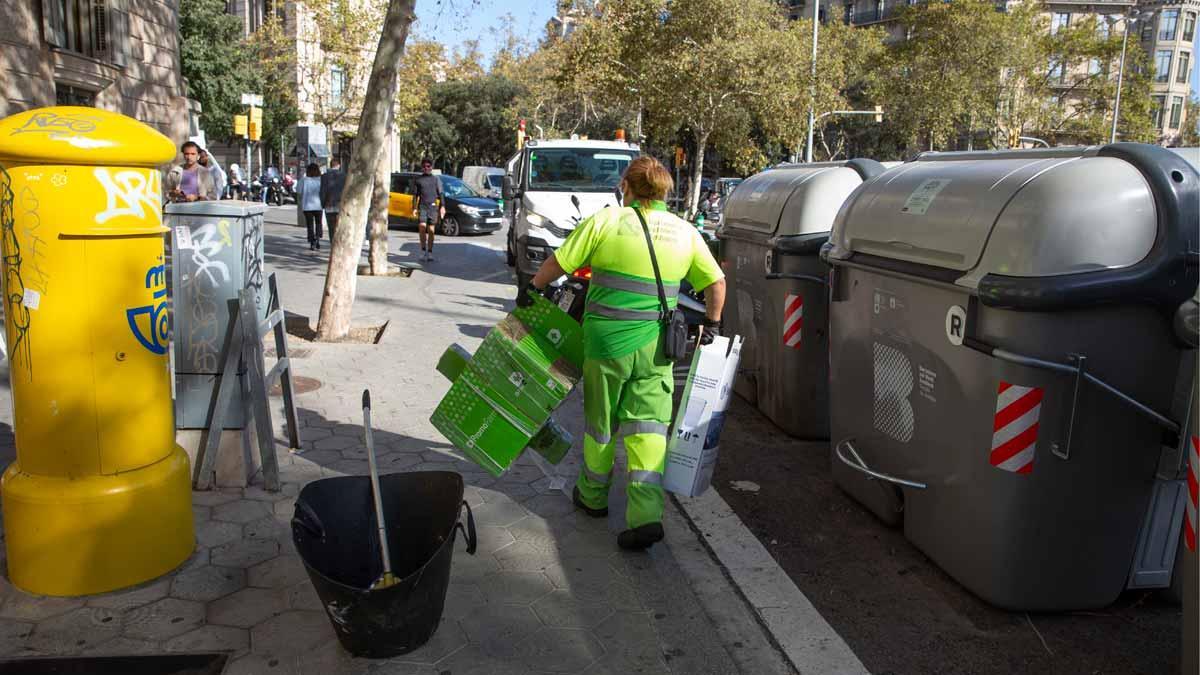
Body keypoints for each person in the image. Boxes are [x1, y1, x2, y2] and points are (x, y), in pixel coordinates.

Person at [520, 156, 727, 551]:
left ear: (627, 187)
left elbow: (558, 263)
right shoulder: (684, 232)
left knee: (601, 422)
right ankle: (645, 515)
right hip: (658, 348)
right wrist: (712, 325)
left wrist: (532, 288)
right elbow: (716, 283)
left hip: (605, 345)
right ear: (665, 191)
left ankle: (593, 497)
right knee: (649, 428)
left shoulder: (606, 221)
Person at [411, 158, 444, 262]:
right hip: (422, 207)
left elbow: (441, 194)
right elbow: (415, 195)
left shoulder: (436, 179)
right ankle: (422, 249)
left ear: (431, 167)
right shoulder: (418, 180)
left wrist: (443, 206)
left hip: (433, 207)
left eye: (428, 166)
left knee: (431, 230)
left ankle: (429, 252)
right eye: (424, 166)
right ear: (422, 167)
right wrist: (414, 208)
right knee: (422, 226)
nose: (426, 168)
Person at [297, 163, 324, 251]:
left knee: (310, 224)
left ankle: (312, 241)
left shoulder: (304, 180)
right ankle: (318, 239)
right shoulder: (321, 180)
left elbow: (298, 191)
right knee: (319, 223)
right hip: (318, 205)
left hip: (307, 206)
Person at [320, 158, 347, 243]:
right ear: (339, 165)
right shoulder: (344, 176)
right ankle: (339, 244)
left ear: (330, 165)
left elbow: (323, 191)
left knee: (331, 227)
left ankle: (333, 243)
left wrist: (322, 204)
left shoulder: (324, 176)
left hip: (329, 204)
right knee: (340, 227)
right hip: (341, 204)